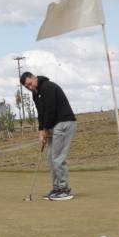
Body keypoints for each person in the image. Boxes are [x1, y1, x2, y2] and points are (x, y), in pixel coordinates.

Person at [21, 72, 77, 201]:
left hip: (64, 123)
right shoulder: (35, 94)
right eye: (26, 86)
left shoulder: (48, 87)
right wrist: (41, 131)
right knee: (50, 158)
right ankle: (57, 188)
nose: (29, 87)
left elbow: (50, 110)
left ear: (34, 78)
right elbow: (41, 113)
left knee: (57, 157)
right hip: (54, 125)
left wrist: (46, 129)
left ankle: (64, 190)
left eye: (30, 84)